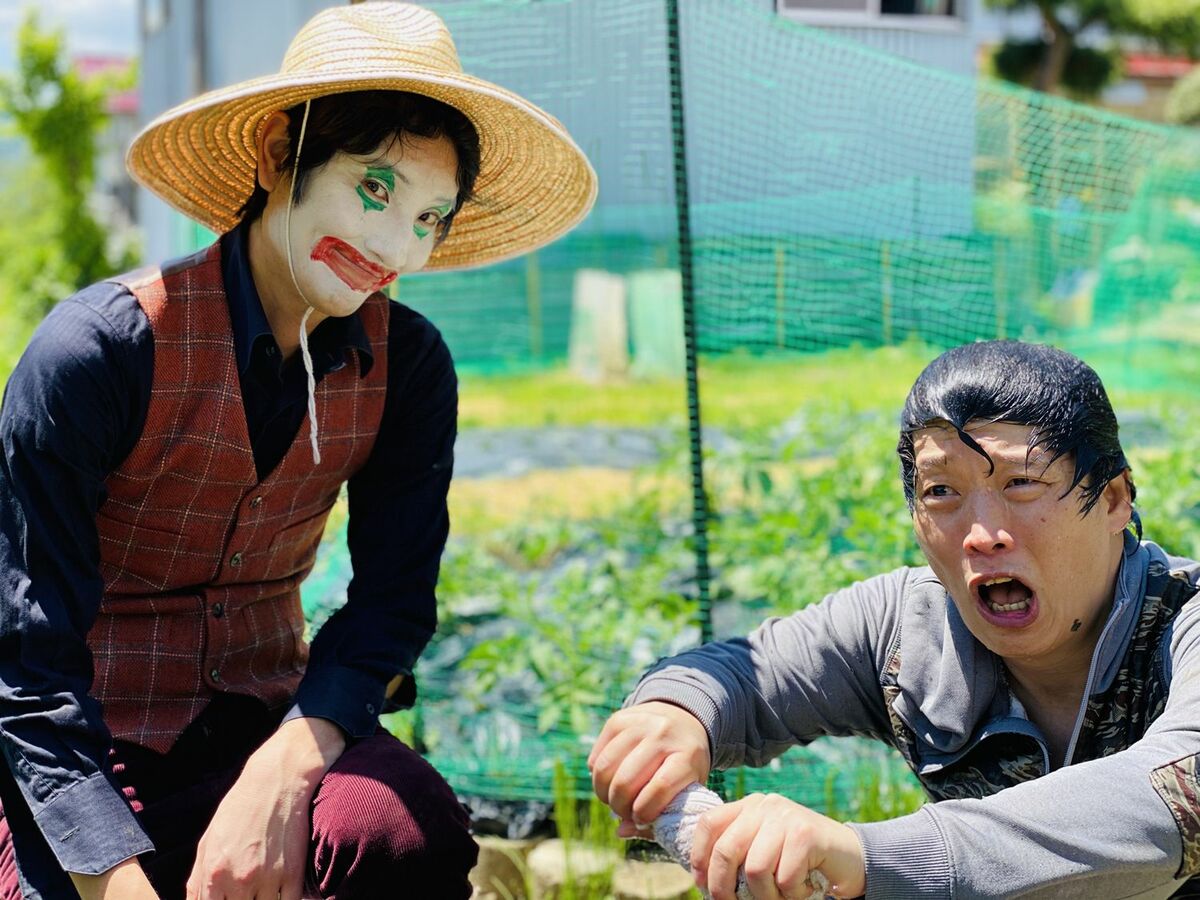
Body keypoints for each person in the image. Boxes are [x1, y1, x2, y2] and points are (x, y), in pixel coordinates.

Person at [0, 4, 596, 899]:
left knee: (400, 834)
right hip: (91, 741)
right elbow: (29, 667)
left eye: (430, 216)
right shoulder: (98, 354)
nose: (397, 249)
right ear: (282, 154)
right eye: (376, 188)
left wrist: (285, 772)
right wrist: (114, 880)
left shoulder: (412, 367)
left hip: (269, 715)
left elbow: (392, 610)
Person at [589, 340, 1200, 900]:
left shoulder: (1188, 622)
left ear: (1116, 499)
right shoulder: (907, 628)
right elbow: (745, 675)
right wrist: (673, 712)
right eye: (940, 492)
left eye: (1022, 483)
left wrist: (868, 854)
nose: (982, 536)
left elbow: (1169, 796)